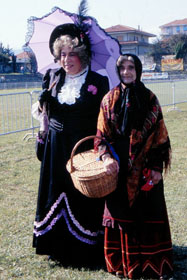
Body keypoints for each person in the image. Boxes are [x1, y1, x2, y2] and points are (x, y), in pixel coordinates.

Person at [32, 22, 109, 266]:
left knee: (81, 195)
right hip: (56, 148)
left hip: (82, 150)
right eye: (62, 54)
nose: (66, 59)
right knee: (55, 193)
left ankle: (83, 250)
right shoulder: (52, 77)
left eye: (72, 54)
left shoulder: (98, 81)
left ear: (83, 55)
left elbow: (103, 118)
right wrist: (41, 103)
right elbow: (41, 113)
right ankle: (56, 247)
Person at [94, 54, 173, 279]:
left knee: (148, 212)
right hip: (118, 169)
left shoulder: (150, 99)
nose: (127, 72)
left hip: (146, 168)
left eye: (131, 67)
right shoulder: (109, 99)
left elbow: (161, 136)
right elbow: (100, 136)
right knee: (121, 214)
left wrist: (157, 168)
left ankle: (153, 265)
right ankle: (122, 264)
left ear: (138, 70)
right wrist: (107, 158)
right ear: (118, 71)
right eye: (123, 68)